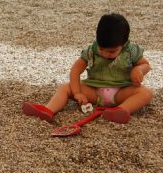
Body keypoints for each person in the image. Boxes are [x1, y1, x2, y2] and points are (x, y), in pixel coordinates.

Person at [22, 13, 152, 124]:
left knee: (145, 93)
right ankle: (48, 110)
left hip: (121, 92)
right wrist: (77, 92)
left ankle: (121, 110)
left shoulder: (131, 50)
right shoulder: (91, 50)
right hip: (95, 91)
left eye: (112, 52)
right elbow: (75, 70)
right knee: (65, 88)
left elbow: (145, 64)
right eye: (102, 49)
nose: (106, 54)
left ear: (124, 44)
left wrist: (139, 70)